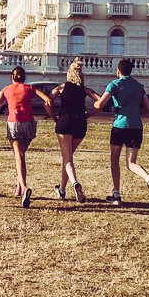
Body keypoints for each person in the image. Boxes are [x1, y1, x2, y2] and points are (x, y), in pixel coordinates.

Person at [93, 58, 149, 205]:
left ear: (118, 71)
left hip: (119, 126)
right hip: (136, 126)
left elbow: (100, 105)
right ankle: (148, 178)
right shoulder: (138, 86)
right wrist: (136, 113)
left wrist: (95, 102)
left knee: (114, 159)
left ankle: (116, 194)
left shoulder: (114, 84)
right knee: (131, 163)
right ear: (131, 71)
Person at [0, 66, 54, 208]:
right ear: (24, 77)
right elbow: (48, 100)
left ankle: (24, 187)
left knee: (19, 156)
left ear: (11, 77)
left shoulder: (6, 90)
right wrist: (50, 114)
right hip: (29, 124)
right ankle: (19, 186)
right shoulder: (30, 88)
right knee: (21, 155)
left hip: (14, 123)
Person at [50, 58, 100, 203]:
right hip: (80, 123)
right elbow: (100, 102)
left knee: (67, 158)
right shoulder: (85, 89)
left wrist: (53, 116)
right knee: (68, 158)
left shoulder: (61, 87)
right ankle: (62, 190)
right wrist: (89, 114)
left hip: (65, 122)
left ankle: (75, 183)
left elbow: (48, 101)